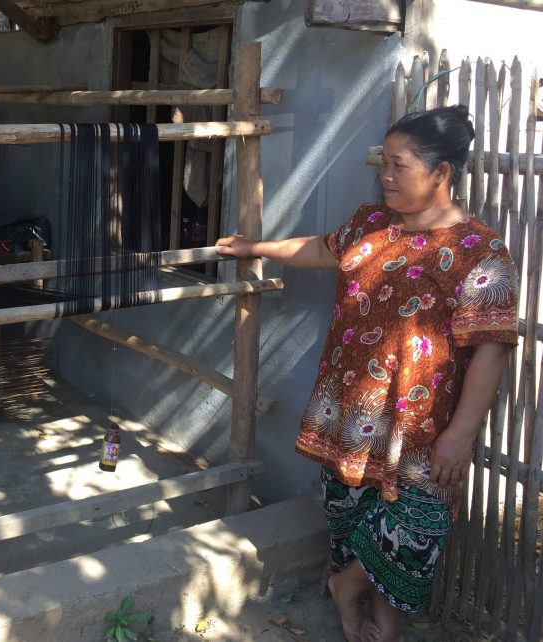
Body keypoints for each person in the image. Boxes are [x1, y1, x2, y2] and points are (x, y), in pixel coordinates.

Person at [216, 105, 518, 642]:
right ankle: (383, 621)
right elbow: (319, 248)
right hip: (349, 408)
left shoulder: (479, 251)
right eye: (385, 164)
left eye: (399, 165)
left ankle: (346, 586)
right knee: (352, 516)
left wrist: (461, 434)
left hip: (420, 426)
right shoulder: (370, 222)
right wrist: (254, 247)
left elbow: (491, 350)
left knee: (419, 526)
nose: (386, 176)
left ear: (441, 172)